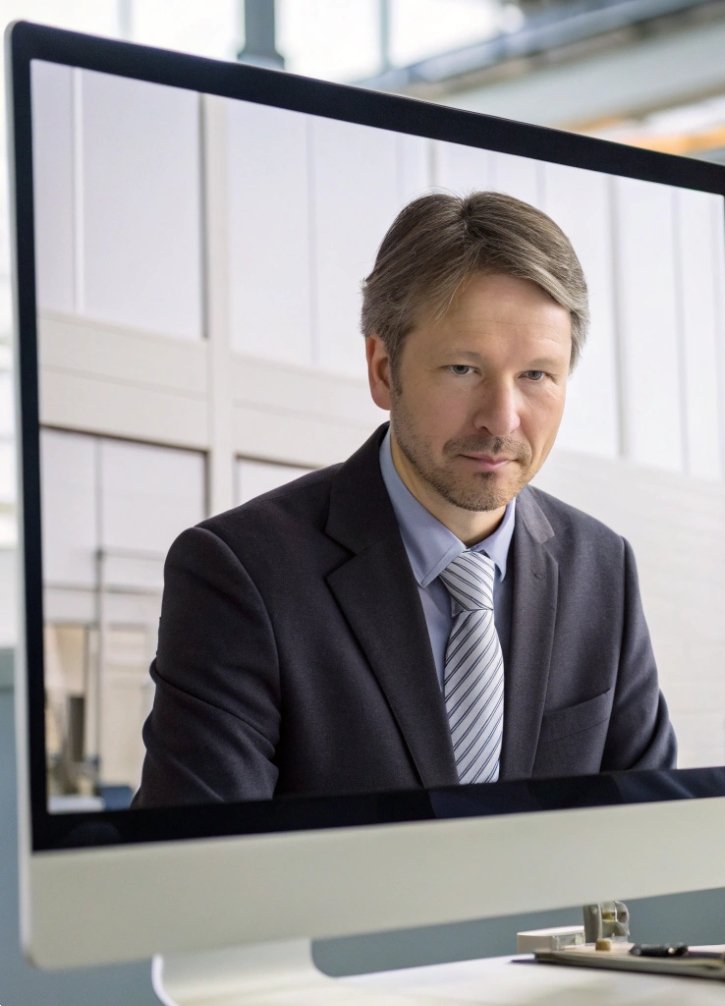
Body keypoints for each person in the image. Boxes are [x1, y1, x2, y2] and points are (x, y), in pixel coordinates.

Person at [135, 191, 676, 806]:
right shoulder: (240, 573)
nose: (502, 419)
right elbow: (201, 855)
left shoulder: (603, 568)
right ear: (383, 369)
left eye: (536, 375)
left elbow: (652, 828)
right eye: (464, 369)